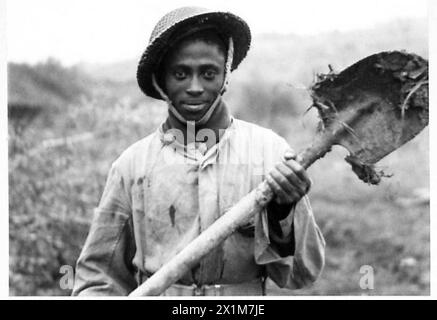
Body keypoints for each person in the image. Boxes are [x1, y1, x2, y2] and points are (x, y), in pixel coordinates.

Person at [72, 6, 325, 296]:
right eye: (180, 74)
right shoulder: (132, 166)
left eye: (208, 73)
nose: (194, 87)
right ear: (161, 80)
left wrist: (283, 213)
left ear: (225, 77)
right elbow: (98, 278)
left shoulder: (270, 153)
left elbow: (302, 275)